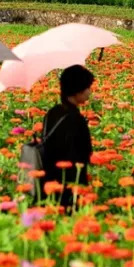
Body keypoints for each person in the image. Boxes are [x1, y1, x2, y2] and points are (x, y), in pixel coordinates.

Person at [41, 65, 95, 209]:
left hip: (48, 179)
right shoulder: (75, 118)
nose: (90, 92)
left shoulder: (52, 112)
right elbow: (84, 153)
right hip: (70, 182)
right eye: (87, 87)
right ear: (77, 90)